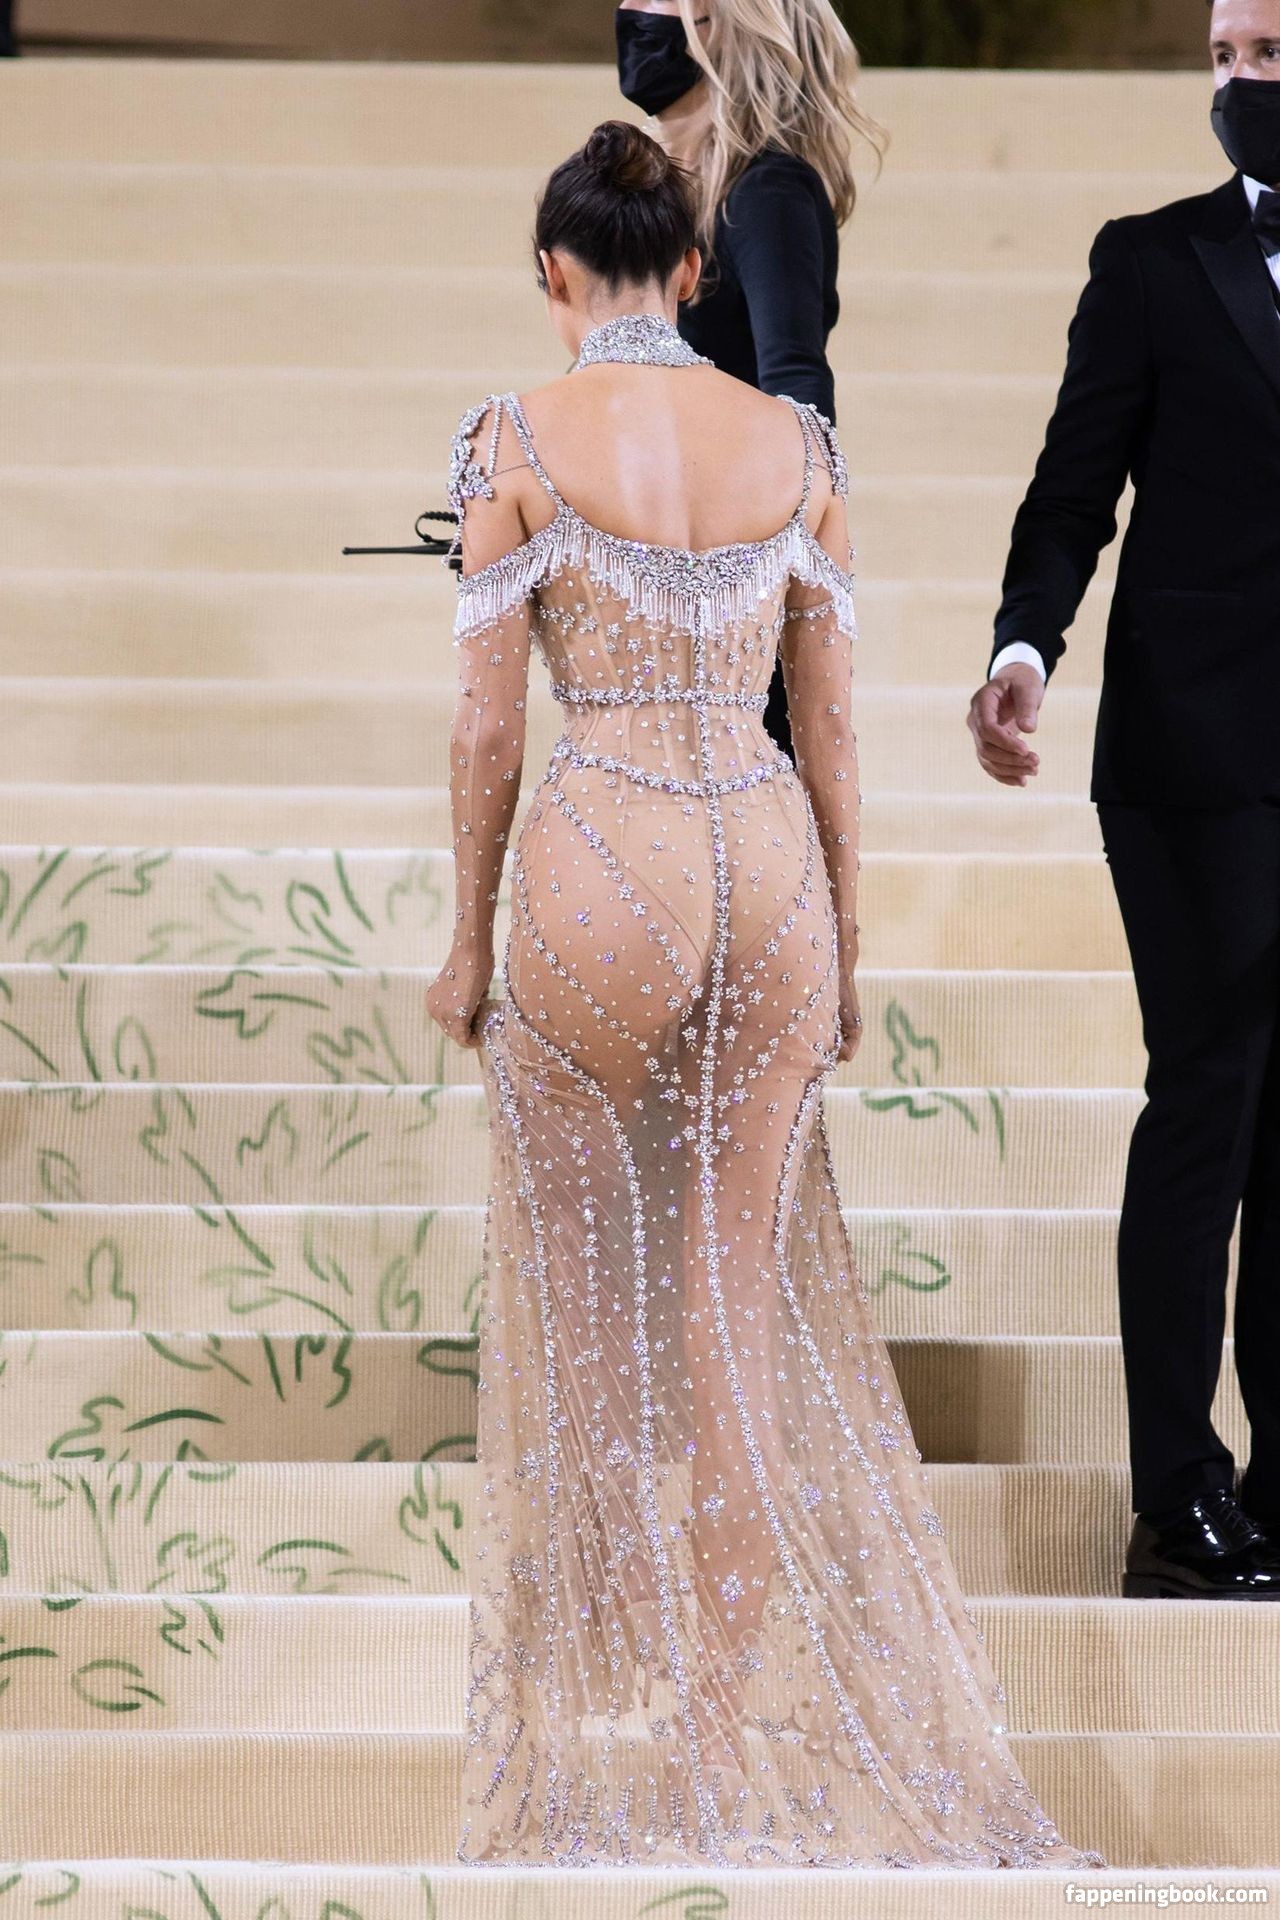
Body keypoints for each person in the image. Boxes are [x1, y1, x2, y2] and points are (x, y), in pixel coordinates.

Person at [427, 118, 1105, 1872]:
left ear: (553, 271)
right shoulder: (797, 444)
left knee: (584, 1311)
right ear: (696, 271)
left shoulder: (512, 438)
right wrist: (852, 947)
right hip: (770, 859)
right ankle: (722, 1737)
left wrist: (463, 939)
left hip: (604, 852)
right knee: (737, 1314)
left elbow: (490, 730)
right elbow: (839, 733)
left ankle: (589, 1737)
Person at [968, 0, 1280, 1600]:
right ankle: (1178, 1498)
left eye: (1266, 53)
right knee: (1210, 1098)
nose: (1238, 82)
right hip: (1189, 758)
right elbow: (1074, 483)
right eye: (1223, 55)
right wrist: (1026, 645)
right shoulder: (1154, 261)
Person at [615, 0, 884, 757]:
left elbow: (797, 392)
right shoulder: (661, 197)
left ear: (720, 24)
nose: (632, 13)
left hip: (726, 582)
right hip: (654, 566)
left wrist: (778, 588)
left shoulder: (767, 192)